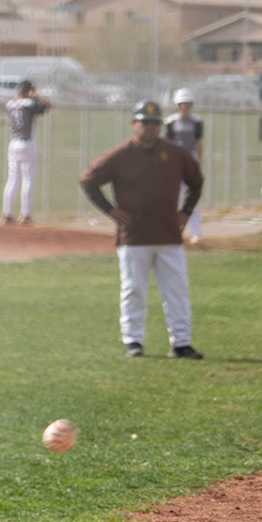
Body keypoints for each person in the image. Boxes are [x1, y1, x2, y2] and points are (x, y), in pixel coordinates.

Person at [78, 100, 205, 360]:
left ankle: (181, 343)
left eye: (155, 123)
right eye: (145, 122)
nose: (150, 127)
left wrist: (186, 211)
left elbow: (196, 180)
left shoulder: (174, 152)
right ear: (134, 124)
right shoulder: (120, 155)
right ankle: (133, 341)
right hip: (134, 236)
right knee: (133, 289)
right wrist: (111, 211)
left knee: (177, 291)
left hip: (169, 235)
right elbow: (88, 180)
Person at [1, 80, 51, 225]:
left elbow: (18, 104)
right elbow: (48, 106)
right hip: (27, 143)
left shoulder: (10, 104)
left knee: (12, 180)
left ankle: (7, 215)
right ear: (29, 91)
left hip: (13, 143)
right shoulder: (31, 103)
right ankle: (26, 215)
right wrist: (36, 96)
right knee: (28, 179)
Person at [166, 88, 206, 244]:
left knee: (192, 196)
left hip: (191, 159)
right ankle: (175, 231)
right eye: (182, 103)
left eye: (188, 103)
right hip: (176, 160)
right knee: (175, 197)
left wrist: (198, 163)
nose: (185, 106)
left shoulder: (196, 121)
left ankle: (196, 233)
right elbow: (168, 144)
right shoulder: (170, 121)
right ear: (177, 105)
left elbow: (199, 143)